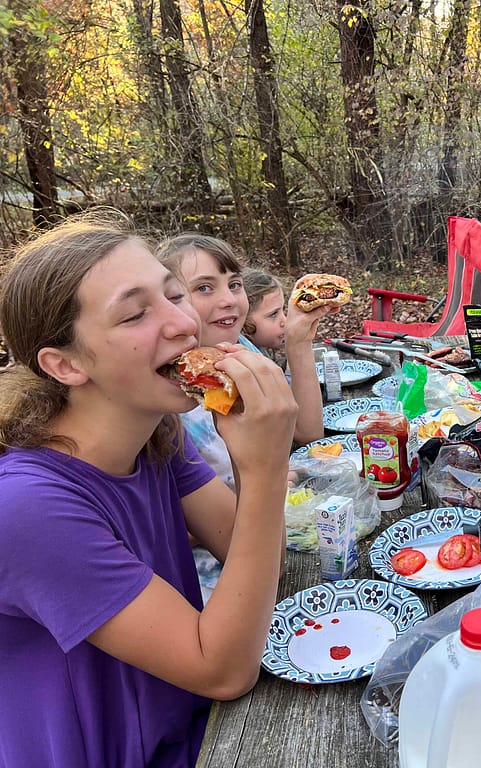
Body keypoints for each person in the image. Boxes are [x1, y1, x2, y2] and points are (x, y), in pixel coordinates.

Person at [0, 211, 298, 766]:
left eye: (174, 295)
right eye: (137, 313)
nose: (184, 325)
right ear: (64, 364)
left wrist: (257, 452)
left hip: (190, 729)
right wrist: (265, 468)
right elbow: (224, 671)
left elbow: (257, 554)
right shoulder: (27, 507)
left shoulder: (157, 433)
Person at [156, 234, 328, 488]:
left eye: (234, 284)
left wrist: (298, 342)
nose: (229, 300)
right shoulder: (168, 396)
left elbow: (307, 432)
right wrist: (267, 481)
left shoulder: (241, 349)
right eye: (204, 288)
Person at [242, 267, 287, 357]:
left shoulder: (260, 350)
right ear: (244, 322)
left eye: (283, 310)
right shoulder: (248, 363)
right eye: (273, 314)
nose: (285, 321)